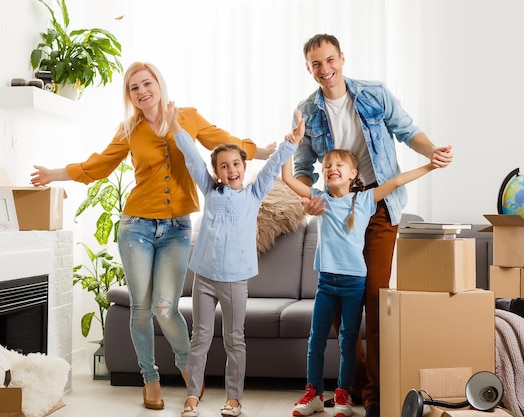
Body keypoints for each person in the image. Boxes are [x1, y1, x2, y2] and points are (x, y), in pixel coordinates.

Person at [29, 61, 276, 410]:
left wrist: (263, 151)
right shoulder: (129, 129)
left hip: (176, 227)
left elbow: (226, 143)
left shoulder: (187, 117)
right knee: (141, 308)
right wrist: (55, 173)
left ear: (159, 84)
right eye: (134, 88)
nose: (142, 91)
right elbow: (98, 165)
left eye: (147, 83)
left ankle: (187, 362)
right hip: (136, 226)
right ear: (130, 96)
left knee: (165, 306)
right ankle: (150, 378)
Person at [292, 34, 454, 417]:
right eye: (316, 64)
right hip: (338, 212)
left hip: (377, 207)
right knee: (336, 310)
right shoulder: (306, 112)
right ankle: (357, 387)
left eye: (330, 60)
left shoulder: (373, 94)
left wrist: (431, 151)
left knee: (376, 301)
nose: (325, 69)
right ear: (308, 68)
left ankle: (376, 397)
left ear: (342, 58)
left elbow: (407, 129)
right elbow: (301, 167)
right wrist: (309, 199)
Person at [166, 102, 305, 417]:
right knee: (199, 337)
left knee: (234, 340)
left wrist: (292, 142)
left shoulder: (254, 194)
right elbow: (191, 157)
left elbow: (272, 167)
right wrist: (175, 126)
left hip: (235, 280)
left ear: (245, 166)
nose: (230, 170)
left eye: (235, 164)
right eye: (224, 166)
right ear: (216, 172)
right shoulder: (211, 191)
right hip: (204, 278)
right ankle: (192, 397)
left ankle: (233, 399)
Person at [283, 148, 437, 417]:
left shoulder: (365, 200)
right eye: (327, 164)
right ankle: (314, 393)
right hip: (325, 284)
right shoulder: (319, 199)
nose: (332, 167)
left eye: (339, 164)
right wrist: (288, 148)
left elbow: (397, 181)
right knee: (316, 339)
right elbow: (288, 179)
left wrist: (430, 167)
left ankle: (343, 394)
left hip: (354, 284)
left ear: (353, 174)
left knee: (349, 339)